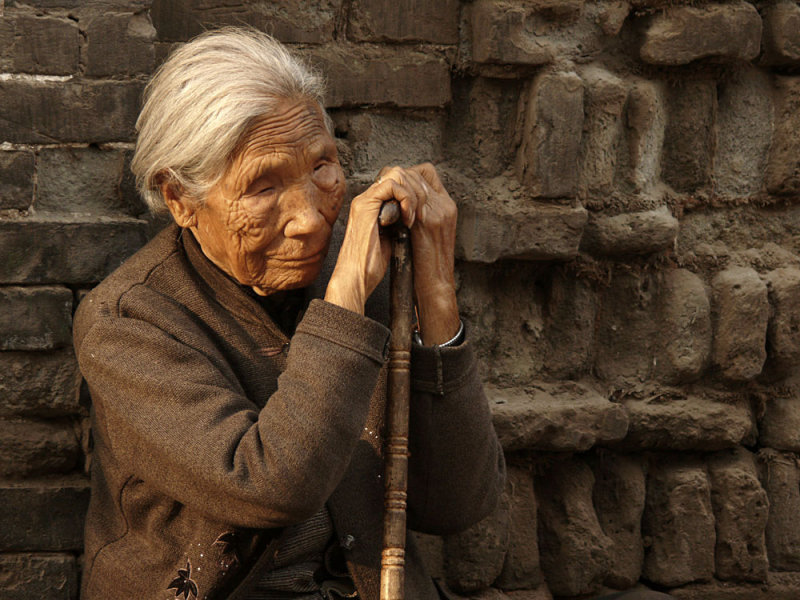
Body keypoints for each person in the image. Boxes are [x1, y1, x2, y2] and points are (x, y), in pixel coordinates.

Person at [73, 27, 505, 600]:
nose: (309, 218)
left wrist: (438, 300)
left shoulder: (360, 271)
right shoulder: (130, 321)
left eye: (321, 166)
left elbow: (459, 503)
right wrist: (346, 301)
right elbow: (270, 486)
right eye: (262, 187)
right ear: (180, 199)